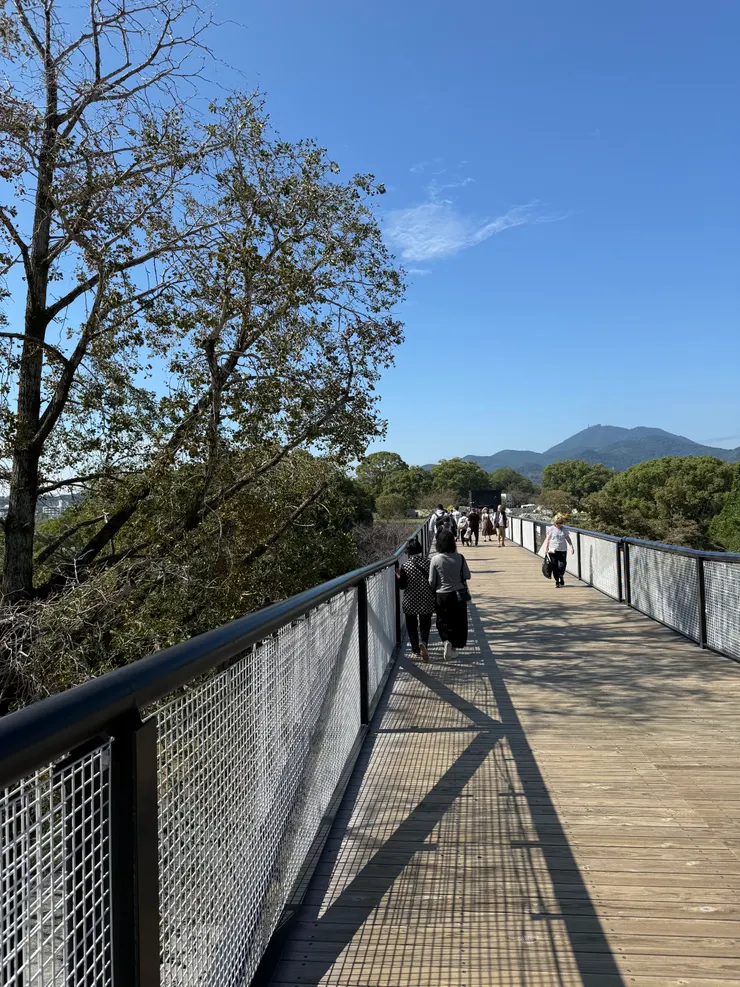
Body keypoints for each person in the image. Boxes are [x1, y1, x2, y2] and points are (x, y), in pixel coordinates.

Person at [429, 528, 471, 659]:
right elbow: (467, 575)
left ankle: (446, 641)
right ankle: (453, 648)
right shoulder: (460, 557)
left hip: (441, 594)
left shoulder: (435, 559)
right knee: (457, 621)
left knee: (442, 620)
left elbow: (431, 580)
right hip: (458, 594)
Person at [396, 538, 434, 661]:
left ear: (408, 552)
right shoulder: (428, 563)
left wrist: (398, 576)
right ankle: (424, 642)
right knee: (425, 623)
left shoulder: (405, 566)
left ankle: (415, 649)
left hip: (410, 601)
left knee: (411, 625)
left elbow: (402, 586)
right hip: (426, 599)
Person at [542, 513, 575, 588]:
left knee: (562, 565)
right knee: (554, 566)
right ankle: (557, 581)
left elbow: (568, 539)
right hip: (553, 550)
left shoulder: (564, 529)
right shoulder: (551, 529)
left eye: (561, 523)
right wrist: (546, 548)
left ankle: (561, 575)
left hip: (562, 549)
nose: (559, 524)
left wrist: (571, 547)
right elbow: (548, 539)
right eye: (557, 523)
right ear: (554, 522)